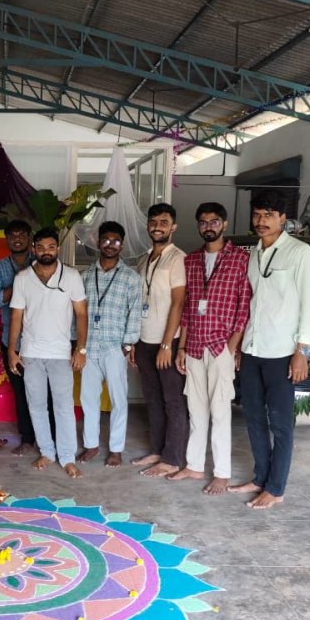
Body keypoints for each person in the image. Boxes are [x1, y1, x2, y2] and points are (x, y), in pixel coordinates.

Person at [229, 190, 310, 509]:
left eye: (268, 215)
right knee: (253, 418)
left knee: (281, 423)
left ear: (283, 218)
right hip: (253, 349)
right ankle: (260, 477)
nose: (261, 221)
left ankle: (276, 487)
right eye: (257, 215)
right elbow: (249, 303)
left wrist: (301, 351)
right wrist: (240, 345)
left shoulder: (299, 253)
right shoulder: (252, 254)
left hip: (283, 352)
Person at [171, 203, 251, 494]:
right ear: (198, 226)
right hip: (193, 347)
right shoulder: (190, 261)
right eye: (203, 222)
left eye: (214, 221)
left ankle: (222, 472)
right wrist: (180, 347)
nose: (209, 226)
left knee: (220, 412)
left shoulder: (240, 259)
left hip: (220, 348)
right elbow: (187, 310)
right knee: (196, 409)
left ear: (224, 224)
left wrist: (231, 348)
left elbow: (244, 307)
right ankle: (193, 466)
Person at [7, 227, 88, 478]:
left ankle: (66, 457)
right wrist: (12, 350)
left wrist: (80, 348)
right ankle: (47, 452)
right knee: (37, 406)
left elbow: (81, 314)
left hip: (61, 353)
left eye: (51, 247)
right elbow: (17, 317)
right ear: (34, 249)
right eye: (40, 247)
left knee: (63, 407)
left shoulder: (72, 276)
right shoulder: (23, 279)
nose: (46, 252)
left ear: (58, 249)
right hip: (31, 353)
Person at [0, 219, 53, 455]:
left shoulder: (45, 263)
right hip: (12, 343)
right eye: (12, 235)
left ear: (29, 238)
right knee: (22, 393)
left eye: (22, 234)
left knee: (47, 391)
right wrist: (19, 286)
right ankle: (27, 437)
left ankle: (50, 439)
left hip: (44, 341)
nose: (17, 238)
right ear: (7, 240)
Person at [131, 203, 188, 478]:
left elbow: (178, 303)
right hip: (144, 339)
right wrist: (133, 342)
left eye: (164, 222)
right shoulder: (144, 260)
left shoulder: (178, 259)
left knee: (173, 400)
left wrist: (167, 344)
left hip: (168, 341)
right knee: (152, 398)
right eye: (154, 222)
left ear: (173, 226)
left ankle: (173, 458)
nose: (158, 226)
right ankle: (157, 449)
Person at [78, 221, 142, 468]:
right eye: (105, 240)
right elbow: (78, 312)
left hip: (114, 346)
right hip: (89, 346)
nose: (110, 245)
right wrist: (78, 344)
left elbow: (134, 312)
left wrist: (128, 343)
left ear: (122, 245)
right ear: (97, 242)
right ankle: (91, 445)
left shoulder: (130, 277)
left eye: (115, 241)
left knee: (118, 400)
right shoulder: (85, 276)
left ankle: (116, 449)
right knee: (88, 399)